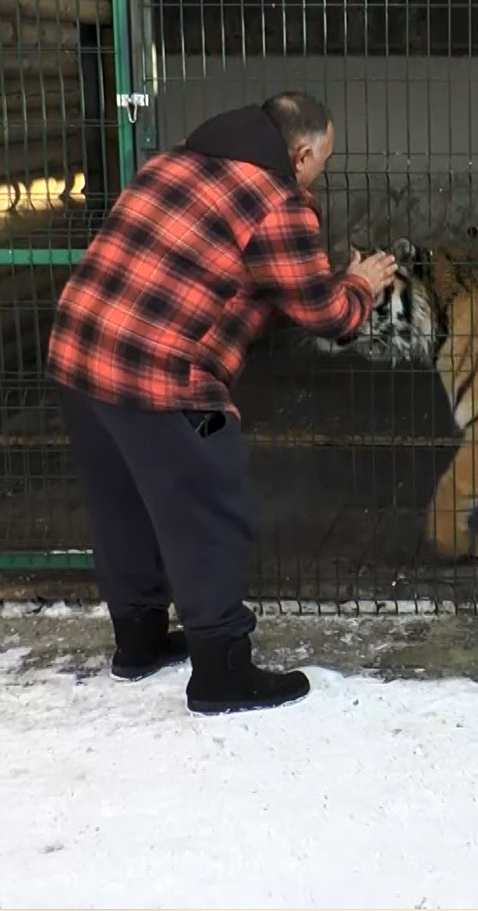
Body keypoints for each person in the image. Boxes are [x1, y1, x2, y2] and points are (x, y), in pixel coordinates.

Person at [45, 91, 397, 716]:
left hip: (79, 354)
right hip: (159, 377)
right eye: (324, 161)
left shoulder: (167, 164)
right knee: (211, 498)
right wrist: (360, 285)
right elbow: (324, 313)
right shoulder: (278, 201)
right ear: (302, 152)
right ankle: (221, 672)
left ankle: (141, 642)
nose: (321, 172)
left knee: (121, 501)